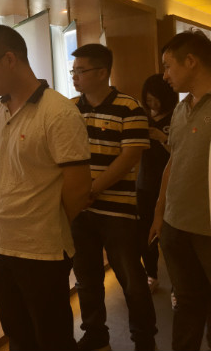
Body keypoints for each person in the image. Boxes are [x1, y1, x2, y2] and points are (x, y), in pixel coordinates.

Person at [0, 25, 92, 350]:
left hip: (41, 252)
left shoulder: (59, 112)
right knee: (17, 334)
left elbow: (78, 188)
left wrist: (47, 221)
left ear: (9, 59)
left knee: (52, 339)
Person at [70, 43, 157, 351]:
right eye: (73, 71)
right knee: (86, 279)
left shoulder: (129, 108)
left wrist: (91, 190)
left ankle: (144, 339)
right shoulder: (70, 109)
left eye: (81, 71)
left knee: (132, 279)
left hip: (117, 211)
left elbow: (129, 157)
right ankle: (96, 334)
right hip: (80, 212)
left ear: (102, 72)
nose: (75, 77)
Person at [149, 31, 211, 351]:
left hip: (207, 228)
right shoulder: (180, 108)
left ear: (190, 61)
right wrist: (160, 212)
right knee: (185, 302)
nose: (165, 75)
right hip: (176, 225)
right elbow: (173, 161)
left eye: (168, 66)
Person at [136, 74, 178, 293]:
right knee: (145, 233)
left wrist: (162, 138)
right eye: (148, 100)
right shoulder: (143, 116)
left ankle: (177, 286)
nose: (151, 104)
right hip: (144, 184)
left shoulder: (177, 116)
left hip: (171, 186)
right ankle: (151, 275)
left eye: (155, 100)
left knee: (171, 239)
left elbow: (182, 152)